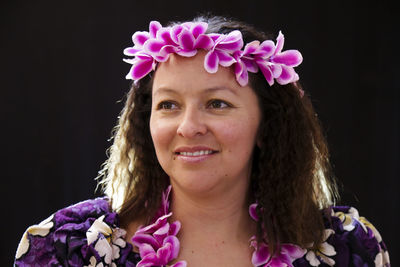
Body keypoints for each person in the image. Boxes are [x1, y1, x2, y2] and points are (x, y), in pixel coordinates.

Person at [14, 15, 390, 267]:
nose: (188, 126)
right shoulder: (65, 248)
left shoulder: (347, 248)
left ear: (267, 126)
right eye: (169, 105)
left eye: (217, 103)